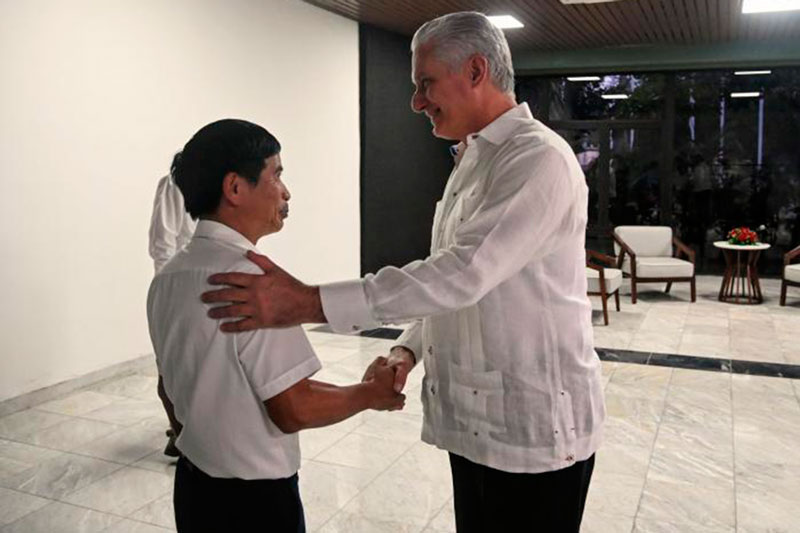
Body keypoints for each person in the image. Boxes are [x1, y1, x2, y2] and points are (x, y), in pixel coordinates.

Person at [202, 12, 604, 533]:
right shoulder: (473, 160)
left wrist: (306, 301)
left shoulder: (536, 159)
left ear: (476, 71)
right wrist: (409, 348)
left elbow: (463, 274)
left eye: (425, 82)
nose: (417, 101)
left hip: (533, 434)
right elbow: (463, 288)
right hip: (482, 429)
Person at [147, 119, 405, 533]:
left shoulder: (168, 279)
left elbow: (168, 389)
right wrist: (369, 394)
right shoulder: (252, 286)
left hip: (193, 491)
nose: (285, 192)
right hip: (253, 506)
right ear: (234, 188)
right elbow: (293, 406)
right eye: (276, 174)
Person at [148, 172, 197, 457]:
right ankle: (179, 434)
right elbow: (162, 244)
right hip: (177, 287)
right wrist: (169, 291)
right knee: (169, 366)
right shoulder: (175, 182)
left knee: (196, 365)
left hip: (206, 283)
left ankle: (188, 431)